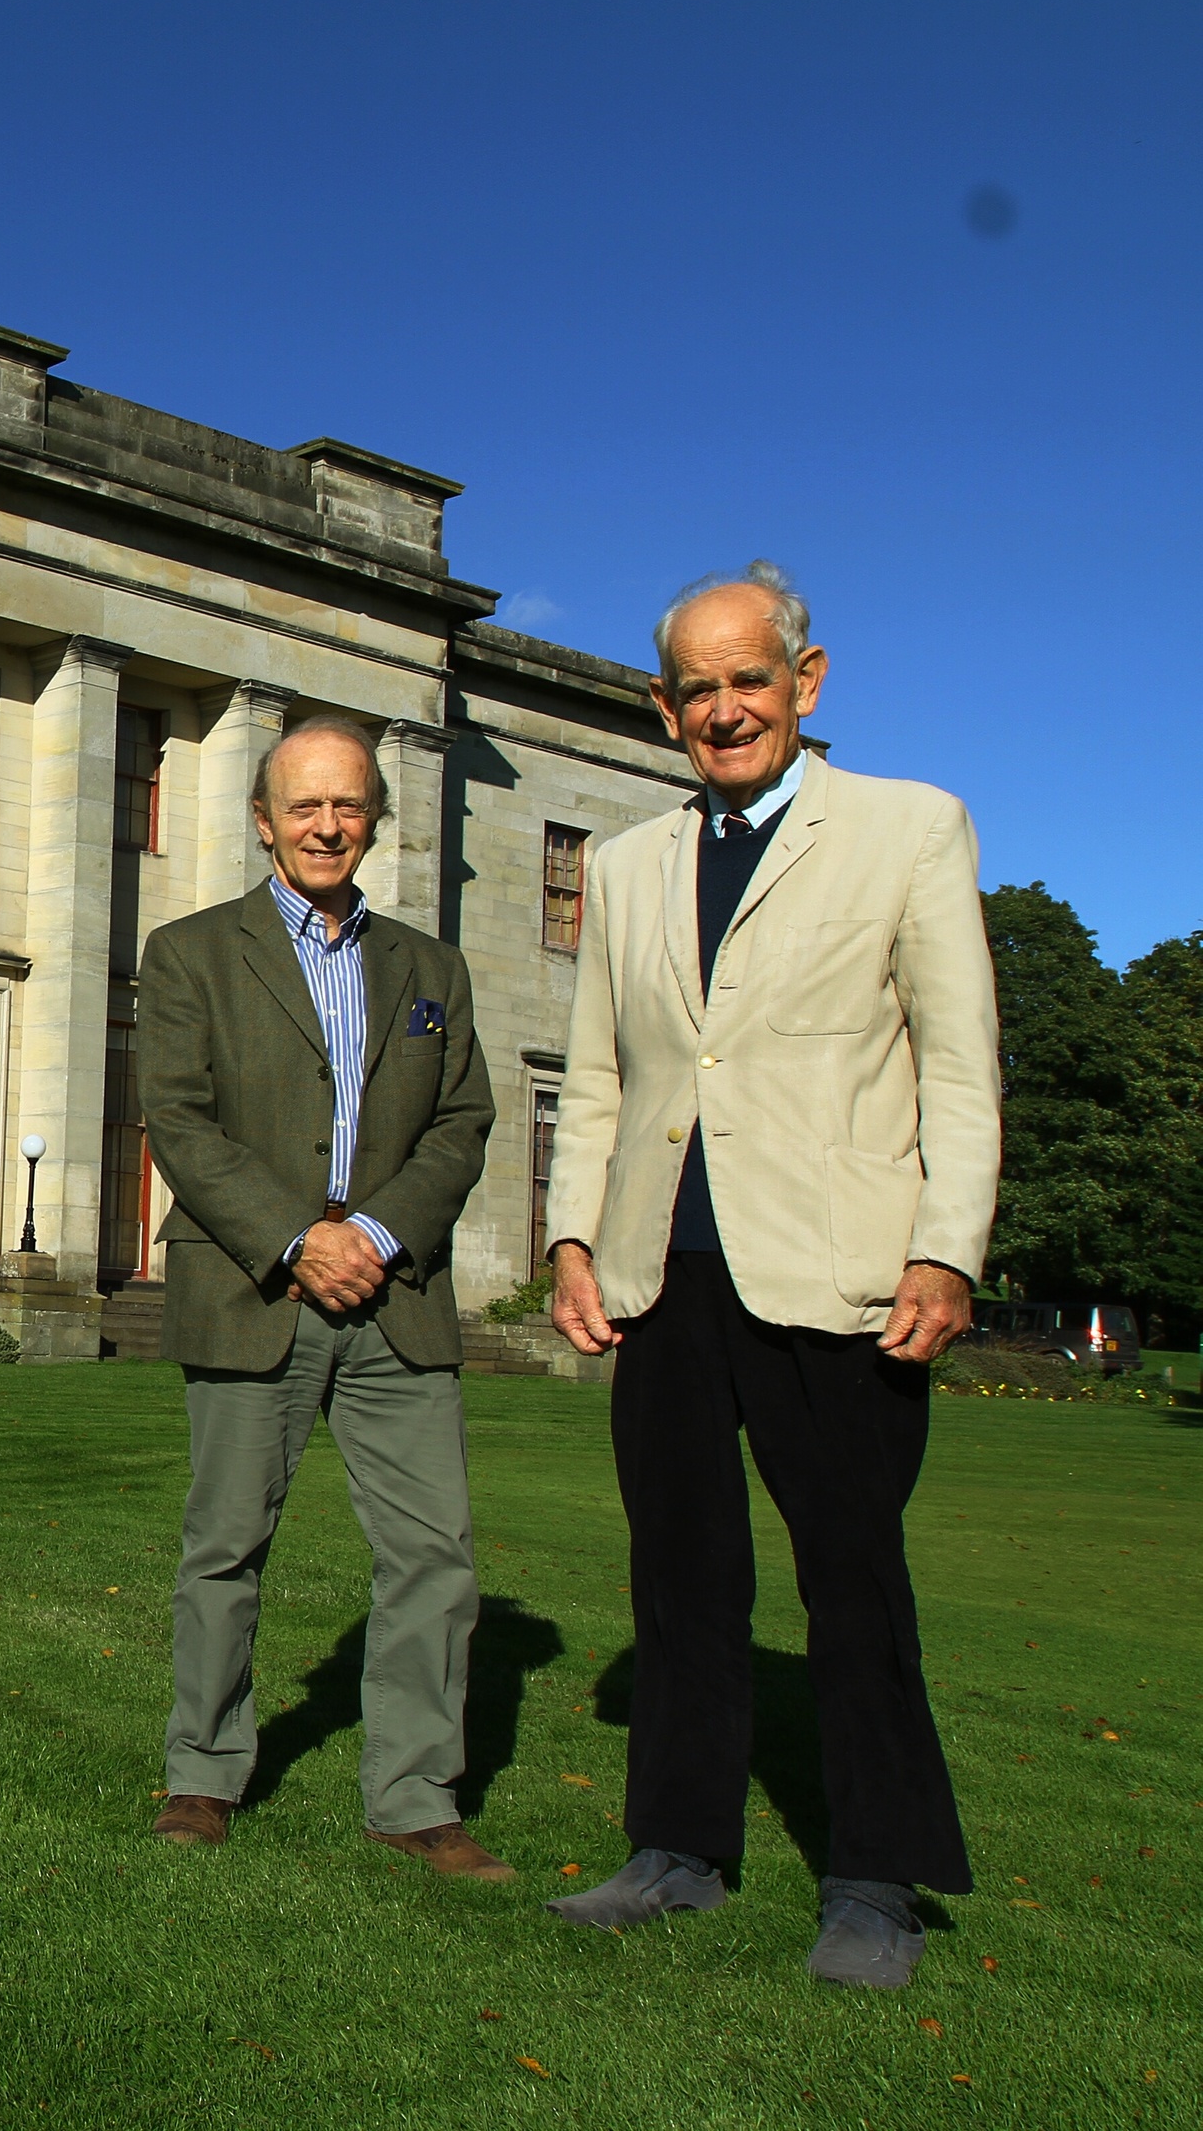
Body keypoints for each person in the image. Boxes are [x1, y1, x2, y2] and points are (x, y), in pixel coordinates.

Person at [543, 562, 995, 1989]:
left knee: (854, 1585)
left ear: (806, 681)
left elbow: (961, 1066)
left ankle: (875, 1881)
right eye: (699, 688)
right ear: (662, 706)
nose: (726, 709)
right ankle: (676, 1851)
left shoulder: (910, 831)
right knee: (681, 1581)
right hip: (662, 1277)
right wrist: (572, 1238)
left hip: (841, 1273)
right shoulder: (625, 866)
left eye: (753, 679)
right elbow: (604, 1074)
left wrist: (947, 1246)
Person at [138, 716, 504, 1877]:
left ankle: (415, 1797)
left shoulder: (430, 970)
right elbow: (181, 1124)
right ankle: (202, 1772)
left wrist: (377, 1235)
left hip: (400, 1296)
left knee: (435, 1554)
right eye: (304, 807)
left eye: (348, 807)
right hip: (256, 1290)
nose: (328, 826)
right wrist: (300, 1240)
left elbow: (462, 1123)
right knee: (226, 1548)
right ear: (264, 821)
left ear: (375, 822)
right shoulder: (191, 953)